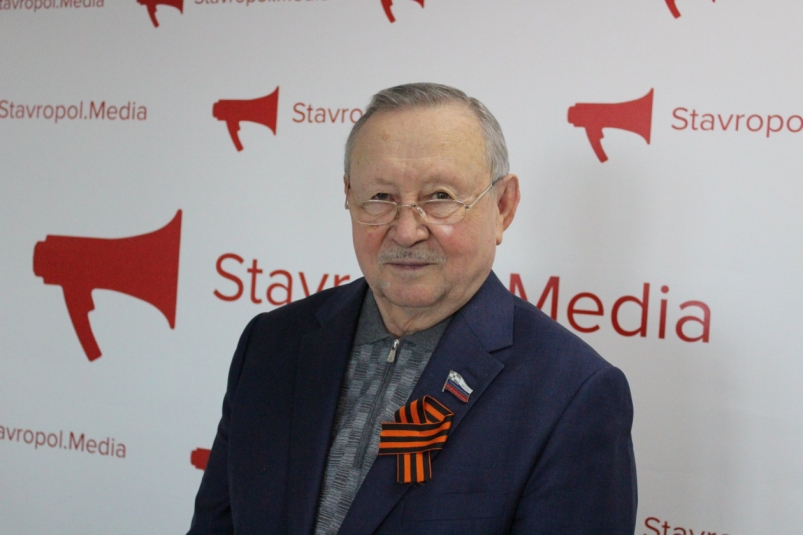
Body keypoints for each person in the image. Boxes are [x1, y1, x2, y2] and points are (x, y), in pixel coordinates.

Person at [188, 83, 637, 535]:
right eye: (381, 197)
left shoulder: (573, 394)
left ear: (503, 206)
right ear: (349, 196)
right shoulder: (270, 343)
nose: (406, 231)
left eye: (439, 196)